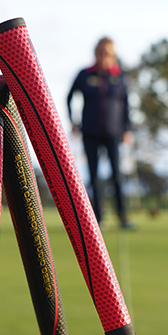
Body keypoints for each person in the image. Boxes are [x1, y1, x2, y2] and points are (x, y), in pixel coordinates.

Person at [67, 37, 135, 230]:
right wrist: (73, 121)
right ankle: (97, 218)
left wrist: (127, 129)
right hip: (90, 131)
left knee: (116, 175)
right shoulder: (85, 75)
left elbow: (126, 105)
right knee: (94, 175)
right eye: (101, 52)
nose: (104, 56)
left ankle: (122, 217)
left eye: (108, 53)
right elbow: (70, 96)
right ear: (96, 53)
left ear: (113, 55)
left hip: (113, 132)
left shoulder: (119, 76)